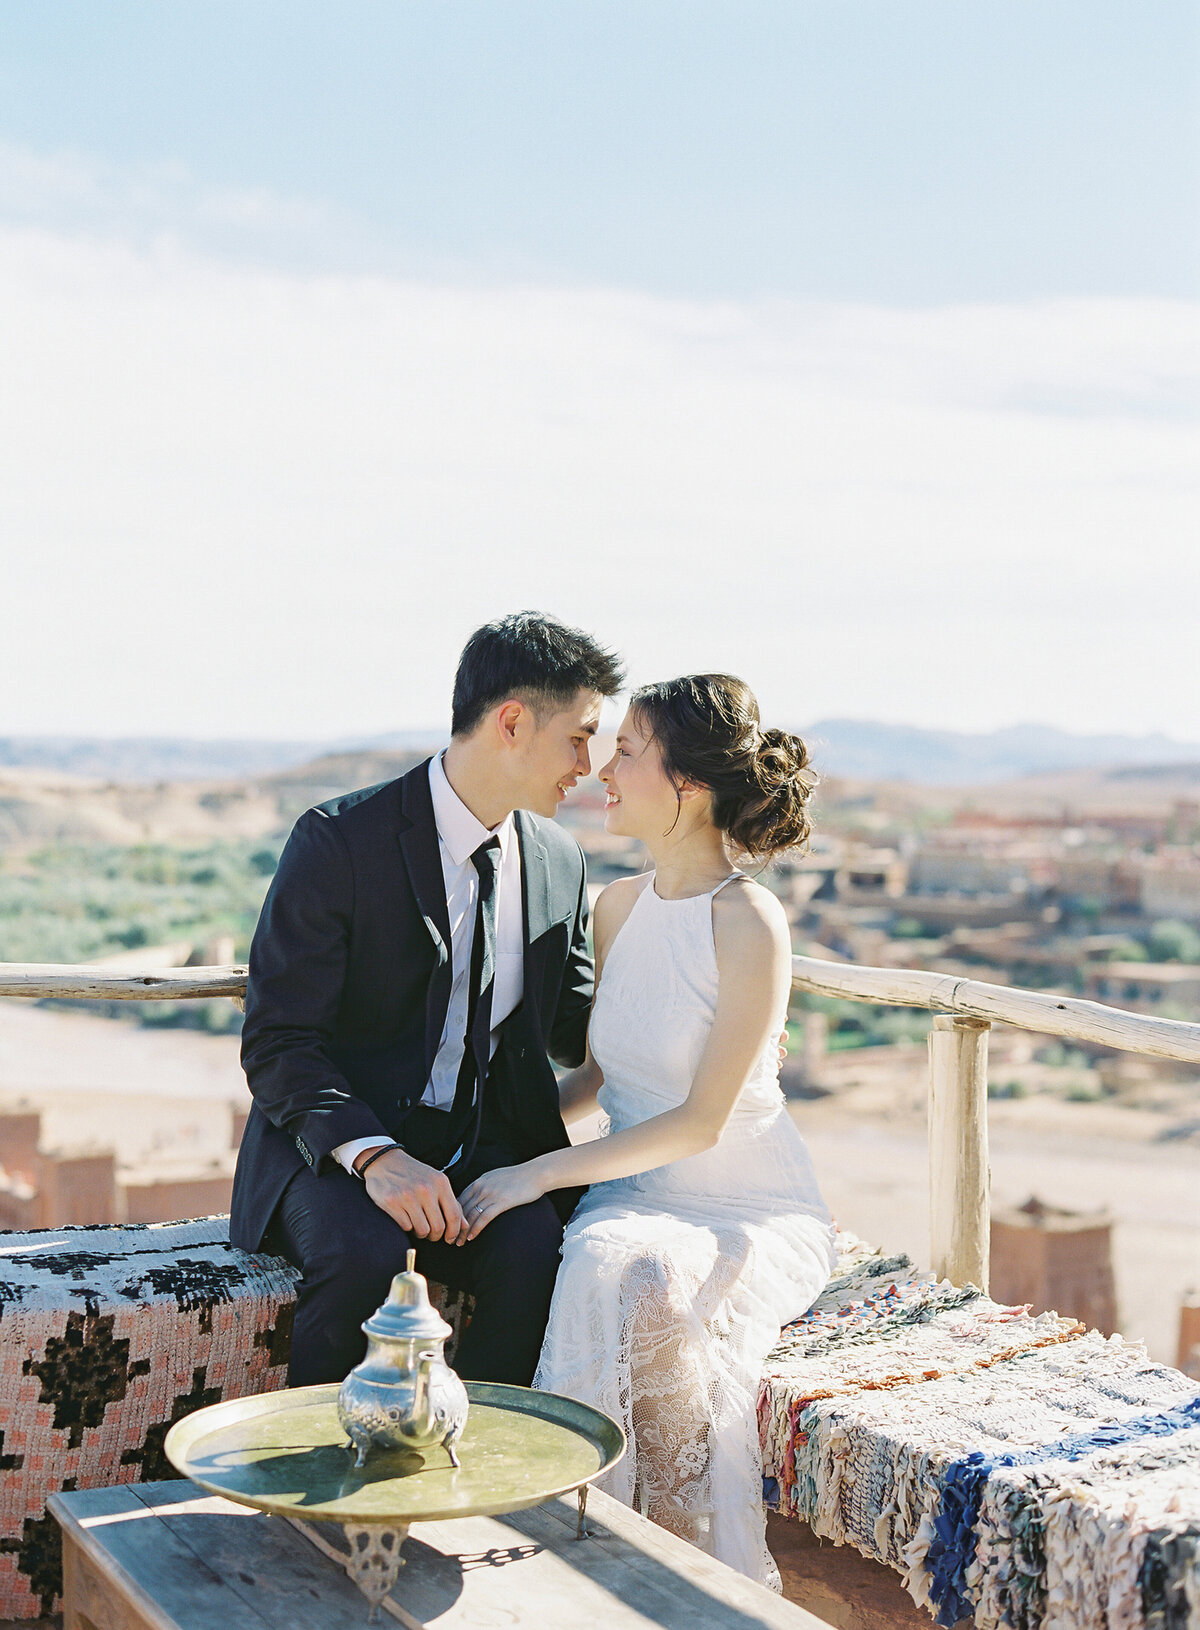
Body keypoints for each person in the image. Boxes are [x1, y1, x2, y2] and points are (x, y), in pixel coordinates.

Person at [459, 674, 835, 1588]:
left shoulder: (750, 921)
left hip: (744, 1200)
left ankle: (675, 1568)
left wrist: (538, 1176)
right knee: (615, 1266)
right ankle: (597, 1554)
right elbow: (596, 1078)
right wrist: (481, 1138)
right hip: (634, 1192)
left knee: (641, 1276)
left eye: (628, 751)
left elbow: (703, 1120)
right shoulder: (616, 907)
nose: (602, 769)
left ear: (690, 785)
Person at [229, 611, 624, 1388]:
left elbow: (580, 1029)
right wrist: (377, 1157)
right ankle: (316, 1490)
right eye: (579, 736)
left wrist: (706, 1025)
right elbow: (278, 1040)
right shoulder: (338, 841)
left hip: (484, 1152)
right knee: (365, 1259)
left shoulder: (558, 860)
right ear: (512, 721)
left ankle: (479, 1475)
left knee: (540, 1252)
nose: (589, 761)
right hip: (337, 1155)